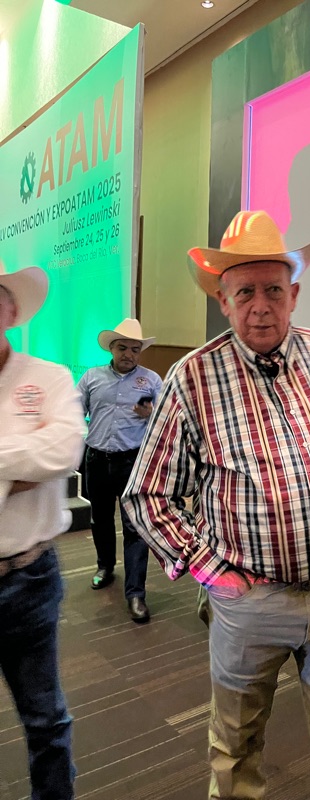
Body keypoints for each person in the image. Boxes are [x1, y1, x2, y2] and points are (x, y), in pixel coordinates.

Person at [122, 210, 310, 800]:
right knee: (235, 748)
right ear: (222, 301)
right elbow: (147, 495)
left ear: (294, 295)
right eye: (245, 292)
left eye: (273, 290)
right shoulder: (193, 379)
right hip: (249, 603)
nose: (260, 306)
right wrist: (210, 571)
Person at [0, 261, 84, 800]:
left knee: (45, 719)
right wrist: (18, 466)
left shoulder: (48, 377)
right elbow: (39, 456)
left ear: (10, 310)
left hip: (28, 578)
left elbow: (64, 451)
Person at [77, 318, 162, 623]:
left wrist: (151, 414)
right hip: (97, 459)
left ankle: (136, 593)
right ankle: (105, 567)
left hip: (132, 462)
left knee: (134, 527)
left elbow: (168, 419)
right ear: (112, 348)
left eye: (135, 349)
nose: (129, 354)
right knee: (100, 518)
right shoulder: (92, 377)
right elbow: (75, 412)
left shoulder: (152, 381)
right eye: (123, 347)